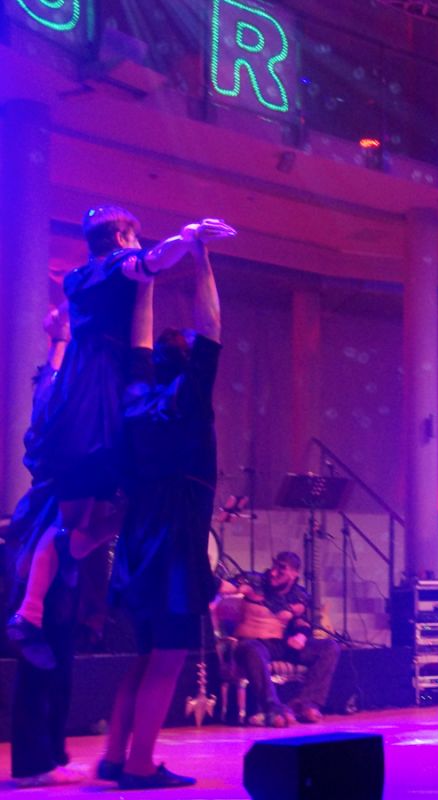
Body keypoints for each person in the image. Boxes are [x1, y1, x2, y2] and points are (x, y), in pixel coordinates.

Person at [7, 209, 234, 666]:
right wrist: (187, 238)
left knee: (88, 519)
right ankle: (31, 613)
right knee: (77, 519)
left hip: (84, 397)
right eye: (134, 235)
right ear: (120, 236)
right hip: (98, 401)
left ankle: (41, 609)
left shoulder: (80, 280)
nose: (138, 243)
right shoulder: (113, 266)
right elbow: (151, 261)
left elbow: (129, 289)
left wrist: (59, 329)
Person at [99, 222, 231, 790]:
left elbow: (138, 342)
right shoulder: (189, 397)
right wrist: (201, 256)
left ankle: (114, 757)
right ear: (189, 360)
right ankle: (138, 766)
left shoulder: (136, 397)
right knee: (170, 656)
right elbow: (212, 325)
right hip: (176, 541)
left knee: (146, 653)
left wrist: (147, 278)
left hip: (138, 538)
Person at [6, 306, 114, 788]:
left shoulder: (77, 398)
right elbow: (51, 393)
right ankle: (34, 763)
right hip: (48, 515)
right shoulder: (58, 401)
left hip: (62, 526)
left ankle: (49, 755)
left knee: (59, 652)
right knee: (42, 651)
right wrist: (62, 337)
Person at [230, 551, 341, 726]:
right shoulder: (255, 582)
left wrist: (301, 636)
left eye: (281, 569)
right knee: (252, 649)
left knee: (329, 646)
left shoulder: (298, 595)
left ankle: (306, 703)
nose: (273, 572)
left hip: (280, 644)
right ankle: (272, 708)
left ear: (294, 574)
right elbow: (230, 587)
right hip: (252, 643)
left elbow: (301, 622)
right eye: (274, 566)